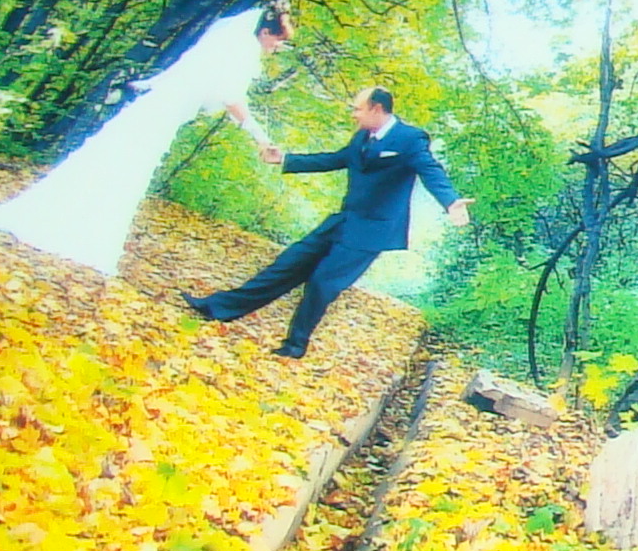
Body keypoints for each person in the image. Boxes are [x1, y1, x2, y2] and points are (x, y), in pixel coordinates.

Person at [0, 7, 286, 276]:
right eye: (279, 40)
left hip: (161, 113)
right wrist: (261, 138)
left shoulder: (236, 50)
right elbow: (231, 99)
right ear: (264, 32)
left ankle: (78, 227)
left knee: (117, 167)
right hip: (159, 115)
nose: (278, 47)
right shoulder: (240, 51)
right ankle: (74, 232)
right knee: (121, 168)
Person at [187, 86, 471, 358]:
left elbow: (430, 170)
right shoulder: (362, 137)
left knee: (322, 283)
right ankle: (217, 308)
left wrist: (450, 201)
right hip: (343, 221)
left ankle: (295, 345)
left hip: (372, 232)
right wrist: (285, 159)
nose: (354, 114)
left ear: (376, 109)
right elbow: (335, 159)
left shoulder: (410, 139)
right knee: (287, 265)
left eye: (358, 109)